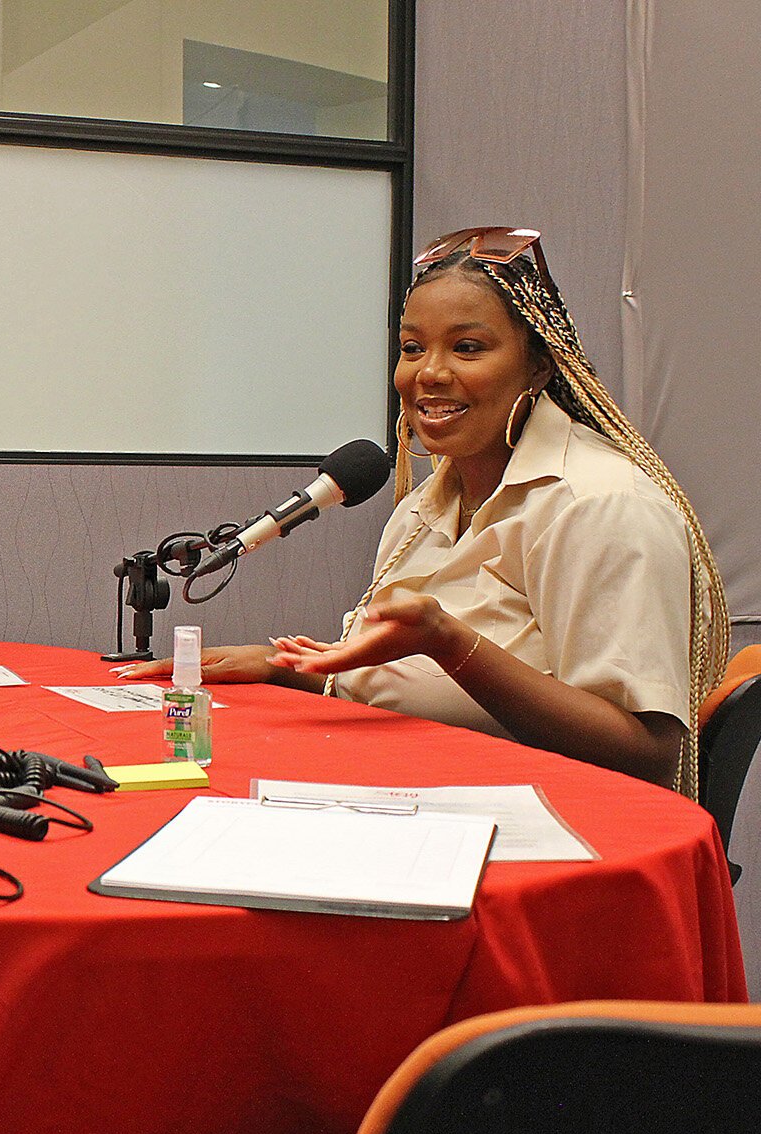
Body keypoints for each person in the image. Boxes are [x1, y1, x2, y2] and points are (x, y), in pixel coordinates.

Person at [115, 226, 727, 796]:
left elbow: (645, 757)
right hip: (406, 791)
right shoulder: (427, 502)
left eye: (467, 347)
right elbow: (422, 683)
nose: (429, 373)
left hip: (532, 833)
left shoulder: (599, 506)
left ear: (538, 365)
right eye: (412, 348)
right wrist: (281, 667)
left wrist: (448, 642)